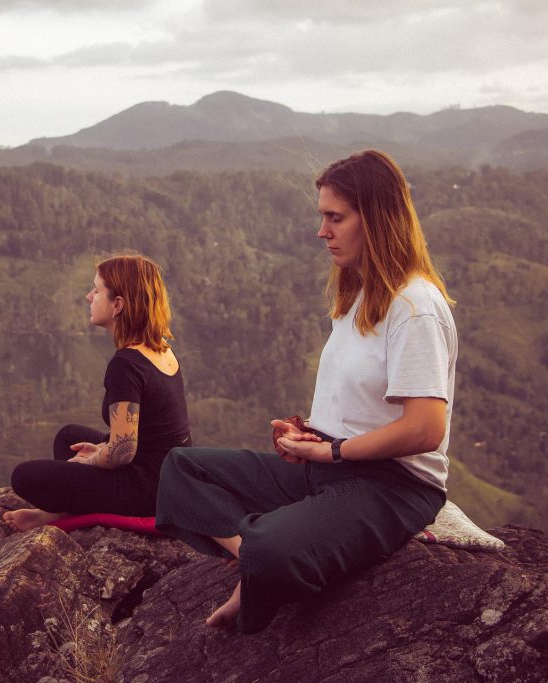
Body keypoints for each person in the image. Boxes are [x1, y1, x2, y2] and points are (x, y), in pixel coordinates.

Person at [156, 150, 457, 633]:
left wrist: (333, 452)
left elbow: (425, 428)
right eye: (323, 217)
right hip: (332, 467)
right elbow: (360, 405)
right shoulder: (359, 296)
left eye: (335, 218)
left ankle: (261, 560)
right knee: (180, 468)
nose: (323, 231)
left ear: (376, 219)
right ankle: (252, 562)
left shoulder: (414, 306)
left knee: (275, 548)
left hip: (391, 486)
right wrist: (309, 436)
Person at [4, 253, 191, 532]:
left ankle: (58, 515)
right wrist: (102, 449)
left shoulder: (126, 364)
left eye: (96, 290)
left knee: (24, 477)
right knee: (69, 437)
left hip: (150, 491)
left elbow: (122, 453)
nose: (89, 297)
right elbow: (144, 438)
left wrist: (93, 460)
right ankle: (66, 508)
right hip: (171, 474)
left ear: (118, 305)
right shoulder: (159, 347)